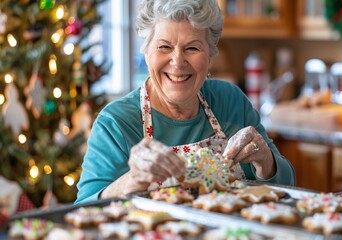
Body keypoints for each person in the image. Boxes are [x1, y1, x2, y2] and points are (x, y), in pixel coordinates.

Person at [75, 0, 295, 204]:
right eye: (164, 47)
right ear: (146, 51)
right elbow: (82, 211)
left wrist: (267, 162)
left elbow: (289, 187)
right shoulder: (115, 123)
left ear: (210, 56)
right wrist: (131, 181)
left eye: (192, 48)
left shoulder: (231, 101)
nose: (177, 62)